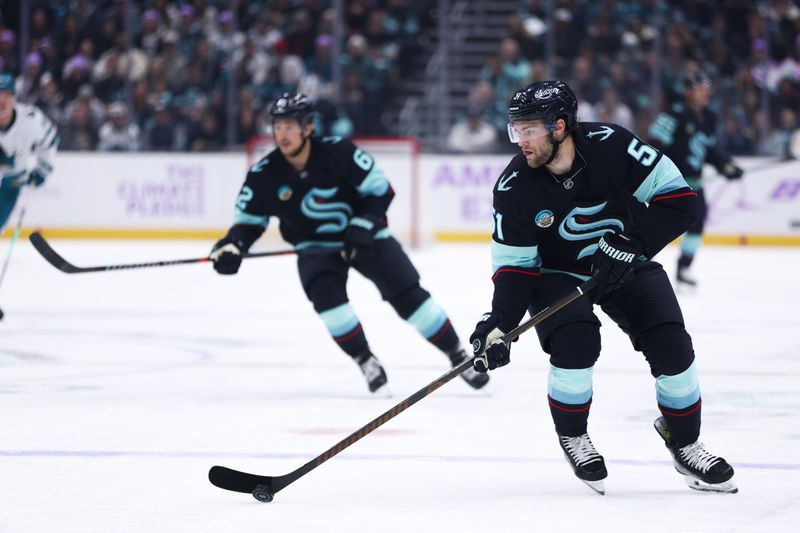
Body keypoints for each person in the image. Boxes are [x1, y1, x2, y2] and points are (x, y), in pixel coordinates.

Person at [467, 80, 736, 495]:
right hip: (558, 274)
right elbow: (515, 268)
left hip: (626, 259)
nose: (520, 141)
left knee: (672, 344)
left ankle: (684, 441)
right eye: (515, 130)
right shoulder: (514, 187)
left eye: (529, 129)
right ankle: (573, 434)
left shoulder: (612, 145)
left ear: (559, 127)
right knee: (576, 340)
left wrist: (631, 244)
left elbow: (680, 199)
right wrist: (499, 322)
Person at [210, 93, 488, 394]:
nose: (283, 134)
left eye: (290, 126)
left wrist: (363, 224)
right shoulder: (263, 174)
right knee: (330, 307)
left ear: (307, 127)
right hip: (316, 249)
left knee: (409, 297)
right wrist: (232, 245)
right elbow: (247, 223)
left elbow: (381, 190)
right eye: (278, 127)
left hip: (368, 239)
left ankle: (458, 354)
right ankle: (365, 359)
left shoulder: (338, 152)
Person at [647, 72, 743, 287]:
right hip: (669, 183)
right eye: (701, 89)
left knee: (697, 223)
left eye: (707, 89)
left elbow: (710, 148)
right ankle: (640, 262)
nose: (705, 93)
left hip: (694, 183)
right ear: (689, 91)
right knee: (658, 225)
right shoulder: (673, 115)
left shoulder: (709, 117)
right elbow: (653, 144)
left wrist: (725, 164)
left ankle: (684, 267)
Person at [0, 72, 58, 230]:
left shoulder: (31, 119)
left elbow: (50, 140)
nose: (2, 101)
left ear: (14, 97)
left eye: (7, 95)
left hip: (12, 180)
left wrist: (43, 169)